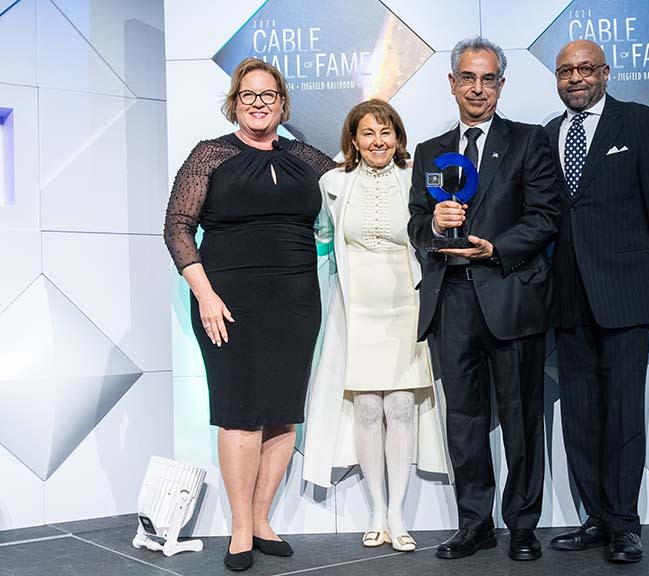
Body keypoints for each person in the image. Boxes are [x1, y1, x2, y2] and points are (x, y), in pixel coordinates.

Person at [163, 57, 334, 571]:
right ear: (234, 102)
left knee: (283, 412)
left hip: (296, 301)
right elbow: (176, 227)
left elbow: (359, 188)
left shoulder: (307, 157)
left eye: (268, 95)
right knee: (239, 413)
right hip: (227, 302)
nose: (258, 103)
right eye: (248, 95)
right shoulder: (210, 155)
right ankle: (239, 526)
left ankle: (262, 519)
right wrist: (205, 294)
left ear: (282, 102)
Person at [407, 37, 561, 562]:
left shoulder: (528, 140)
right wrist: (432, 223)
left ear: (501, 84)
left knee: (521, 420)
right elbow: (414, 223)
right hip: (451, 301)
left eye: (488, 78)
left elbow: (545, 215)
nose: (478, 88)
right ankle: (474, 524)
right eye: (468, 78)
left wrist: (498, 248)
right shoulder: (430, 152)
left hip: (511, 297)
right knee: (465, 423)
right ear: (452, 83)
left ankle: (522, 526)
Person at [544, 40, 649, 563]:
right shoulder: (547, 135)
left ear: (605, 72)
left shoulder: (643, 123)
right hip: (567, 300)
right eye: (566, 70)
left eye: (585, 68)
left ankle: (626, 524)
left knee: (624, 411)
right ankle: (596, 518)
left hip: (628, 295)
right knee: (579, 414)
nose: (576, 77)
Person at [302, 99, 449, 552]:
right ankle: (376, 511)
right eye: (368, 133)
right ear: (353, 139)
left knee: (402, 406)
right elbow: (323, 237)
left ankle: (400, 513)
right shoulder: (332, 182)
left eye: (386, 132)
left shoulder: (417, 178)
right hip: (356, 309)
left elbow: (433, 230)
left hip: (406, 302)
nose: (377, 141)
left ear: (398, 138)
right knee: (366, 408)